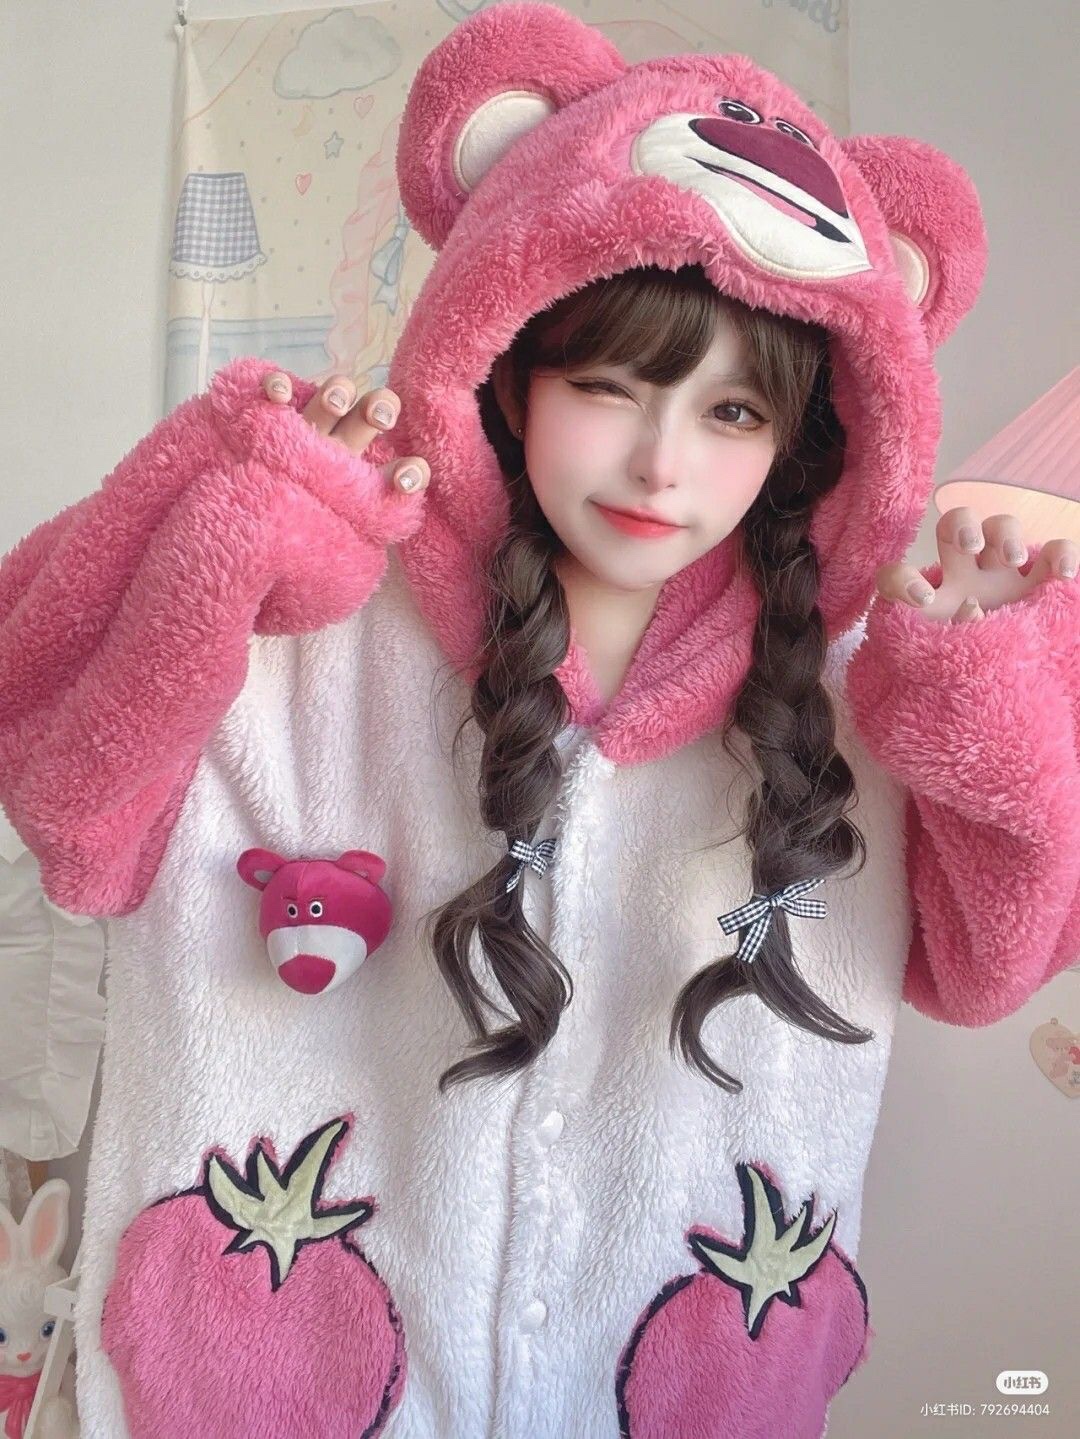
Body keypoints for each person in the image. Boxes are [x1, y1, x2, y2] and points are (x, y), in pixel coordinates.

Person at [1, 5, 1077, 1436]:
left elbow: (989, 963)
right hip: (278, 1376)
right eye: (607, 387)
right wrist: (235, 523)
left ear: (805, 439)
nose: (661, 465)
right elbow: (74, 822)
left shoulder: (861, 682)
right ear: (505, 367)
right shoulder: (315, 618)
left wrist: (984, 688)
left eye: (733, 416)